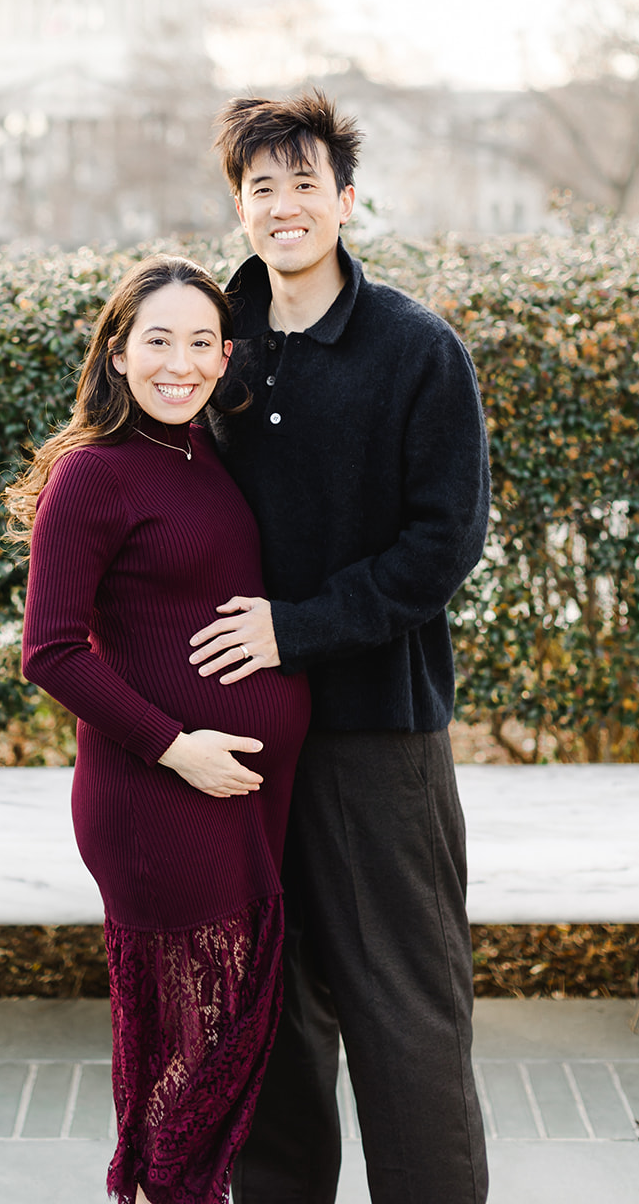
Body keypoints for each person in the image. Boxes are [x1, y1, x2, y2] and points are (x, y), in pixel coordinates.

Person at [189, 91, 491, 1204]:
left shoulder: (414, 349)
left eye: (303, 182)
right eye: (259, 187)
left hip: (373, 736)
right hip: (240, 739)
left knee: (405, 1014)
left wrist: (295, 627)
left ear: (345, 200)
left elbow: (439, 543)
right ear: (238, 207)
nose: (282, 205)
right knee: (262, 1013)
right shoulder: (206, 344)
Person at [6, 256, 311, 1204]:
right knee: (192, 1063)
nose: (177, 363)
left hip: (238, 798)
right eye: (156, 341)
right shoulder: (92, 475)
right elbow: (50, 652)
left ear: (224, 356)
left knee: (222, 1049)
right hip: (157, 800)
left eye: (197, 343)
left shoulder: (199, 450)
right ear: (117, 351)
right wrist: (178, 747)